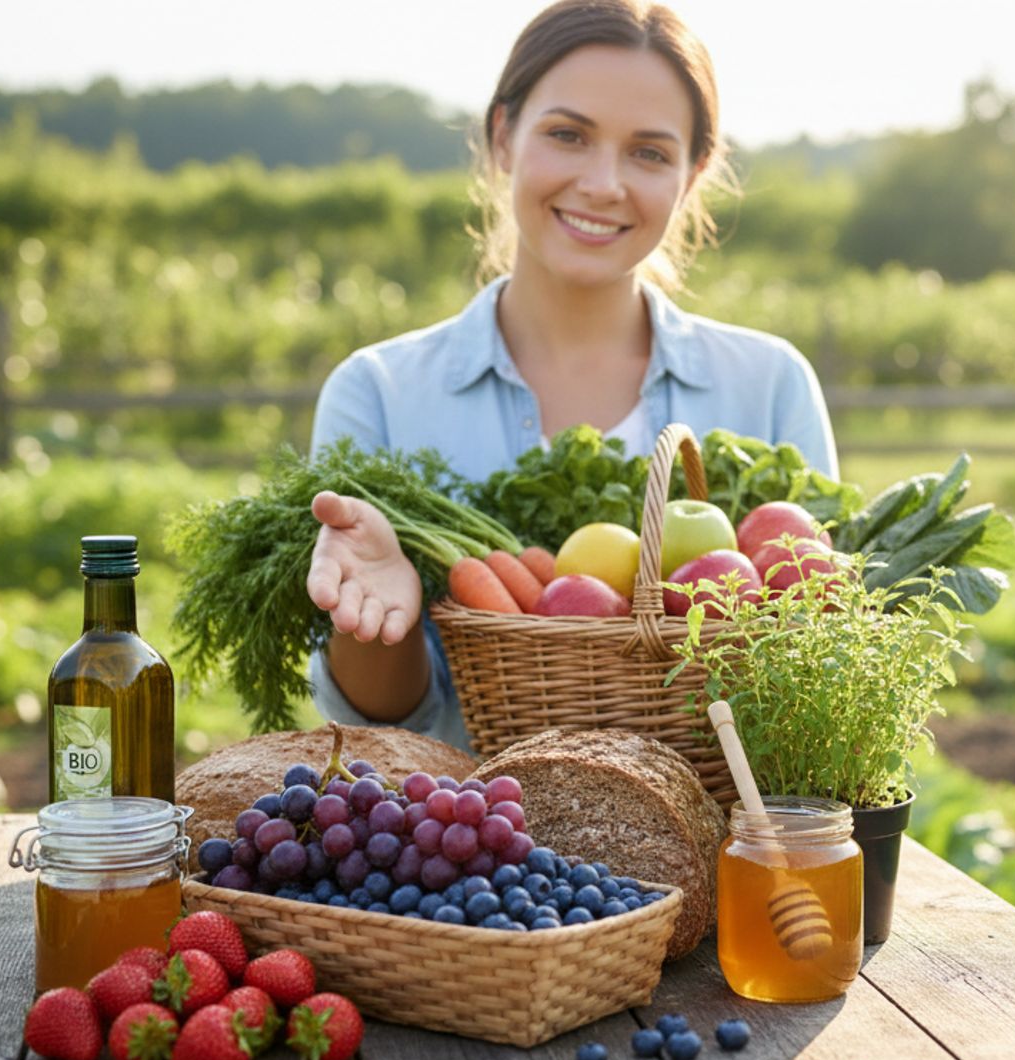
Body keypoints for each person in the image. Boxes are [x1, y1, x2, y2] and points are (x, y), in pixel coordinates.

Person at [303, 0, 838, 751]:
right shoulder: (380, 394)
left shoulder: (770, 385)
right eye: (568, 135)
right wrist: (377, 615)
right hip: (475, 853)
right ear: (502, 137)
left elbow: (811, 668)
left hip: (724, 847)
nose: (602, 182)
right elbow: (383, 724)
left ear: (694, 174)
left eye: (649, 152)